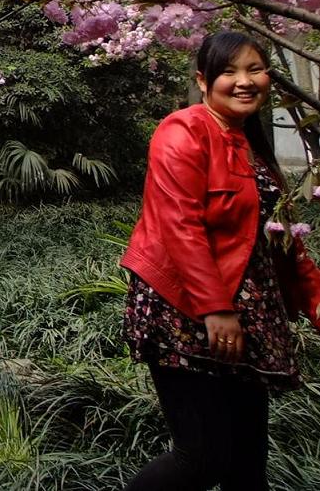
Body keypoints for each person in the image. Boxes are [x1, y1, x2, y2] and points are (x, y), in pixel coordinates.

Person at [121, 30, 320, 490]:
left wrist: (314, 300)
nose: (244, 81)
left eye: (255, 69)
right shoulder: (183, 129)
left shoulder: (252, 145)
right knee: (203, 457)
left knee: (247, 461)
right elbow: (179, 225)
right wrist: (217, 308)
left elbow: (283, 240)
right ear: (204, 81)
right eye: (229, 71)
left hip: (246, 315)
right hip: (187, 312)